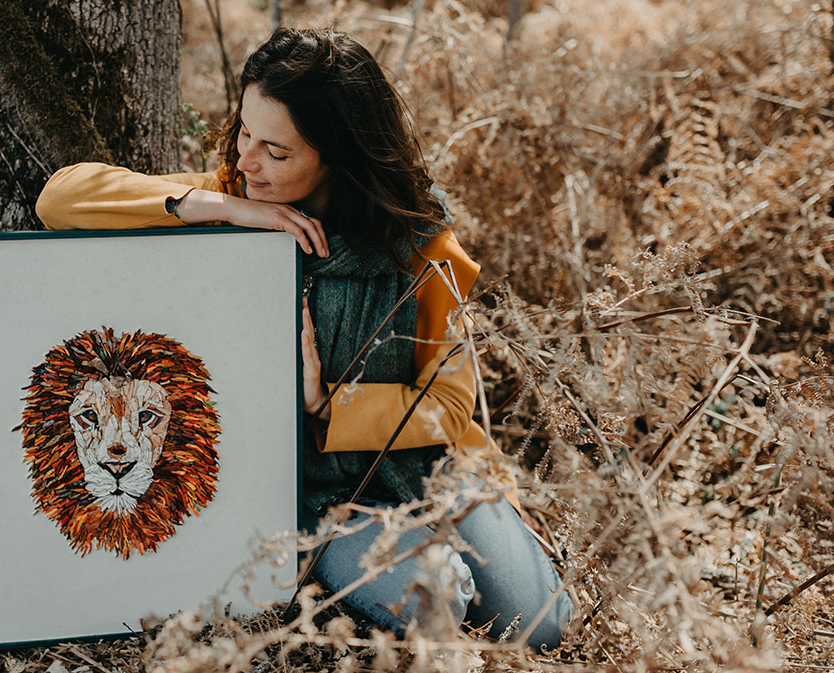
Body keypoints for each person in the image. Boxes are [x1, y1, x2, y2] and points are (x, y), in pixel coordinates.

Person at [35, 27, 571, 649]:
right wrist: (225, 209)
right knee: (439, 600)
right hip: (312, 494)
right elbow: (60, 198)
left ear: (338, 156)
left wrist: (329, 404)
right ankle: (333, 572)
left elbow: (451, 408)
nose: (247, 161)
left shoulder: (419, 245)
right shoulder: (230, 198)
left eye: (276, 151)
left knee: (542, 624)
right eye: (244, 133)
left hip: (425, 468)